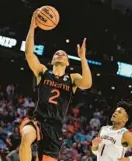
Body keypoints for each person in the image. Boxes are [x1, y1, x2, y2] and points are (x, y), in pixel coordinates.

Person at [19, 10, 92, 161]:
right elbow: (28, 54)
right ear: (52, 61)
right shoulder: (43, 72)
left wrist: (83, 58)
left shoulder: (72, 78)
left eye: (63, 54)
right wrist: (32, 27)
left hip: (55, 127)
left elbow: (87, 83)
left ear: (68, 62)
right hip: (38, 120)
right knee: (26, 137)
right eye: (57, 53)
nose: (60, 54)